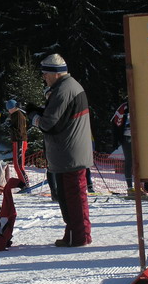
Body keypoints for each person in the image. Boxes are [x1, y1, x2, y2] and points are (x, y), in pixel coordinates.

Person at [27, 54, 92, 247]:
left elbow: (48, 124)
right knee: (69, 196)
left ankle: (78, 236)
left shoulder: (63, 90)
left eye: (46, 73)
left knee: (73, 197)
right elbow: (60, 118)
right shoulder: (68, 87)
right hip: (70, 152)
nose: (44, 77)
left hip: (70, 153)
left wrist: (33, 116)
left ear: (56, 73)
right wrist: (40, 110)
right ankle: (76, 233)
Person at [6, 99, 30, 188]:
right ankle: (23, 183)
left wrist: (11, 127)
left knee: (18, 165)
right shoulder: (16, 115)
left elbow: (19, 130)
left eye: (9, 109)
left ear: (12, 108)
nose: (8, 111)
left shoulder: (17, 115)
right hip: (18, 141)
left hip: (19, 141)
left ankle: (25, 184)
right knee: (17, 164)